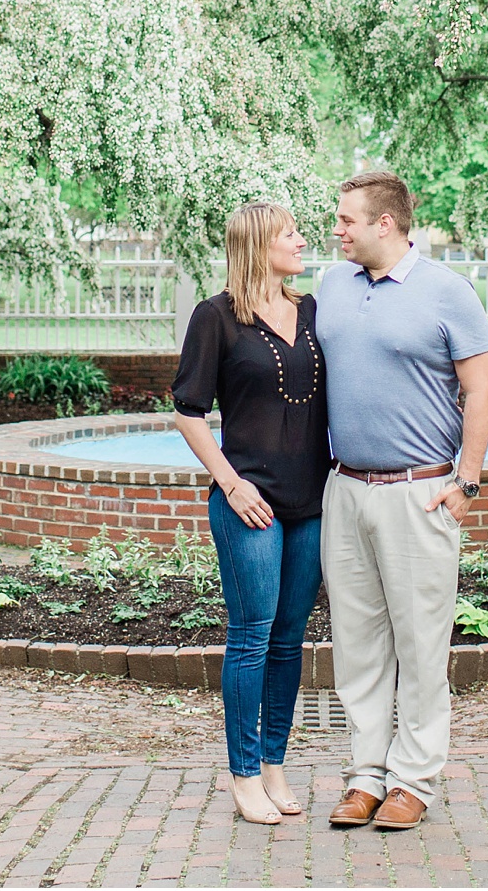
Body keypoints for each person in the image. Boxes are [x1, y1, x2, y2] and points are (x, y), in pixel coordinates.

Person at [313, 170, 488, 832]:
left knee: (420, 645)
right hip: (347, 487)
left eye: (346, 219)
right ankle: (365, 774)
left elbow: (482, 388)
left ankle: (413, 778)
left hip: (420, 493)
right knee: (356, 642)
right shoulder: (331, 285)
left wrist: (467, 480)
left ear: (384, 223)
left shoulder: (447, 292)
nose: (336, 229)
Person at [173, 201, 328, 825]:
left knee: (290, 641)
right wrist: (230, 484)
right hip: (250, 504)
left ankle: (273, 766)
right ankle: (241, 775)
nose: (300, 240)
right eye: (289, 232)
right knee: (252, 637)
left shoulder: (312, 310)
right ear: (258, 243)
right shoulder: (216, 318)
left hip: (311, 502)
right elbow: (187, 411)